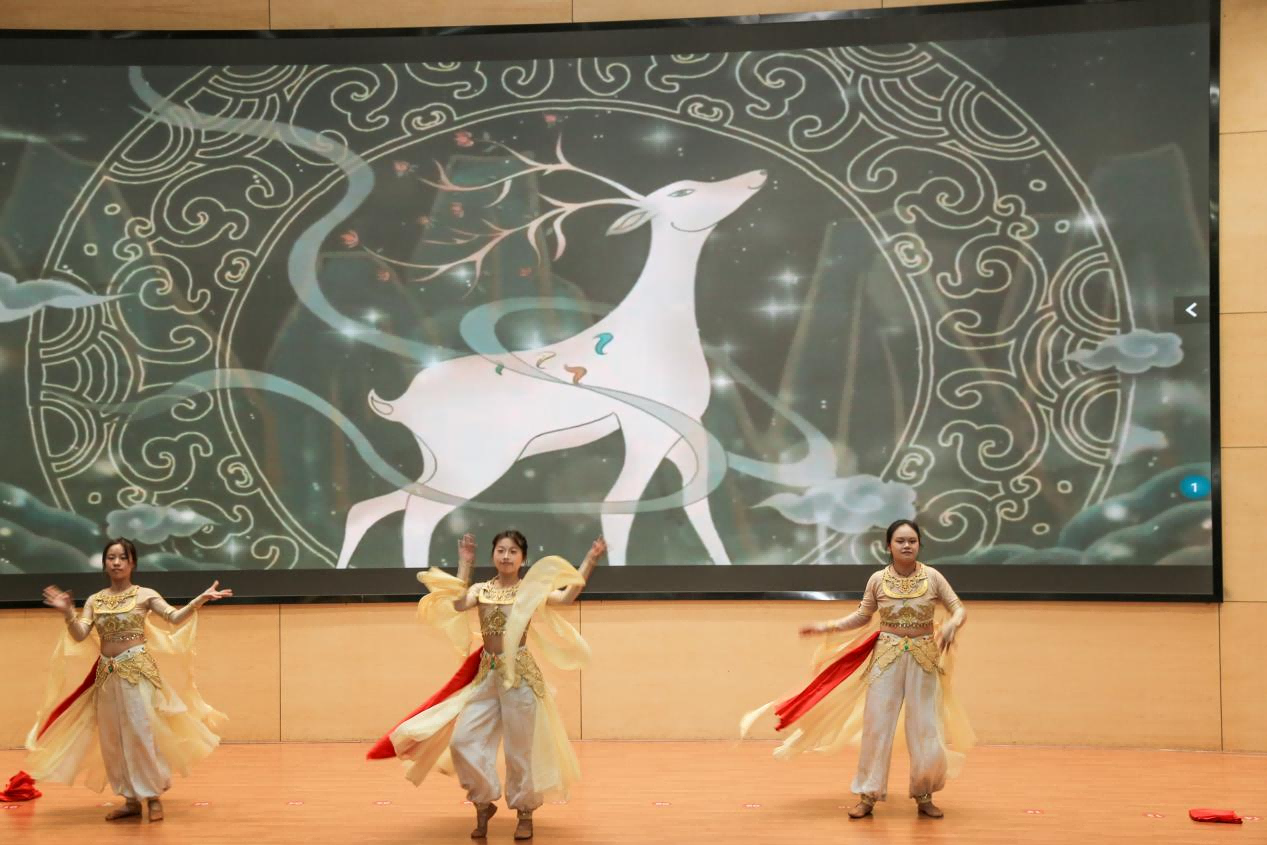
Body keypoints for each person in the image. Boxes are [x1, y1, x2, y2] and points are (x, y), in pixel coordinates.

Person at [369, 530, 604, 840]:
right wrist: (465, 564)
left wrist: (590, 560)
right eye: (501, 550)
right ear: (493, 555)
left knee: (520, 751)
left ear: (523, 558)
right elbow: (457, 604)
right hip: (487, 676)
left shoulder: (529, 590)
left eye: (513, 551)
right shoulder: (480, 590)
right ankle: (483, 802)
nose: (506, 556)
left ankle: (524, 811)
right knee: (462, 741)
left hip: (519, 676)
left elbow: (566, 597)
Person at [742, 519, 973, 819]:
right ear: (888, 545)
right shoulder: (877, 579)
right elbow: (862, 616)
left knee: (926, 728)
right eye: (900, 541)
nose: (906, 545)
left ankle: (924, 794)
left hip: (924, 659)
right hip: (886, 658)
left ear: (919, 544)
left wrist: (953, 624)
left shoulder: (933, 577)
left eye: (912, 541)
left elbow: (959, 609)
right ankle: (868, 795)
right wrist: (826, 626)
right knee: (877, 728)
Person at [24, 537, 231, 822]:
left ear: (132, 563)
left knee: (141, 735)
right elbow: (80, 635)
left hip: (137, 672)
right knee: (113, 739)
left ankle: (153, 796)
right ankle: (131, 800)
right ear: (104, 563)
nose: (116, 562)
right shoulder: (96, 600)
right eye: (111, 557)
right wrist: (68, 613)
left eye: (122, 557)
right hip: (107, 676)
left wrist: (200, 599)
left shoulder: (145, 595)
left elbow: (173, 618)